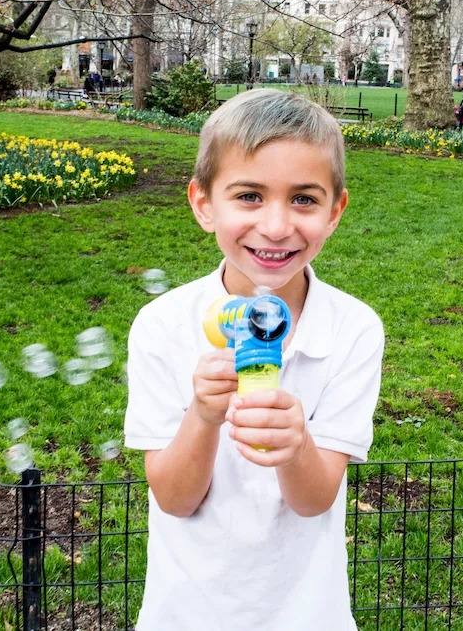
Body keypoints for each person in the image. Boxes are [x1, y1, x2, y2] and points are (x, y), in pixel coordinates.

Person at [124, 88, 384, 631]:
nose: (275, 226)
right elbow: (173, 498)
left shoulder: (353, 329)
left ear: (335, 211)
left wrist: (296, 446)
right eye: (248, 196)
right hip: (184, 614)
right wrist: (202, 415)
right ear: (203, 204)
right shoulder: (162, 326)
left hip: (308, 615)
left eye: (304, 199)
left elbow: (314, 501)